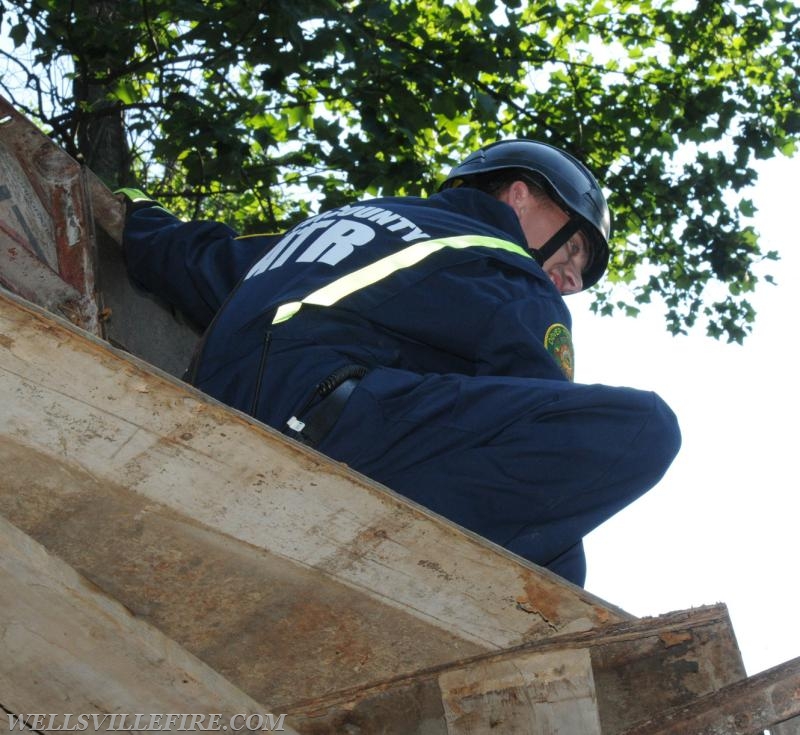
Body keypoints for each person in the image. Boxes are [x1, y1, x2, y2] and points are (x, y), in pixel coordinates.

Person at [119, 139, 681, 587]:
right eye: (577, 249)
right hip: (327, 433)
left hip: (218, 409)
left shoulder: (335, 229)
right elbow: (543, 427)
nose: (573, 279)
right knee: (637, 435)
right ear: (519, 196)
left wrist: (138, 210)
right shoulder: (508, 268)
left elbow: (188, 259)